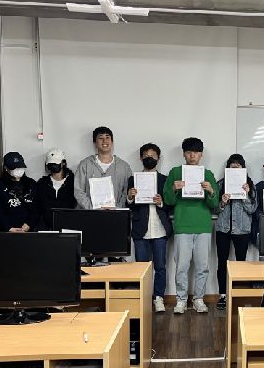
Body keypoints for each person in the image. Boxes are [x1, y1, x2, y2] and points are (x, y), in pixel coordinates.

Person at [163, 137, 219, 315]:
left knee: (202, 266)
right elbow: (167, 200)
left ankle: (198, 299)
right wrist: (173, 189)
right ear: (183, 154)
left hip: (203, 225)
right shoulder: (175, 172)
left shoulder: (207, 174)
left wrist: (211, 191)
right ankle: (181, 299)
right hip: (182, 224)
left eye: (195, 152)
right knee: (181, 265)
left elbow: (214, 203)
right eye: (188, 152)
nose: (192, 155)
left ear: (201, 155)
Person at [126, 143, 173, 314]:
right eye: (146, 155)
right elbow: (128, 205)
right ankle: (144, 299)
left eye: (153, 155)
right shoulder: (133, 179)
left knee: (160, 266)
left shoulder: (165, 180)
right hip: (140, 229)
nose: (149, 158)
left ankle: (158, 297)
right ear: (141, 158)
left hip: (160, 228)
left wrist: (161, 202)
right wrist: (130, 197)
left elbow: (170, 204)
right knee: (142, 267)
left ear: (158, 158)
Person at [215, 154, 257, 310]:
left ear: (243, 168)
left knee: (241, 263)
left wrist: (246, 195)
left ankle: (239, 295)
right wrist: (222, 202)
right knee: (222, 262)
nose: (234, 167)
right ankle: (223, 295)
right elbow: (214, 208)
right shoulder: (220, 184)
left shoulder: (250, 185)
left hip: (242, 229)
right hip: (223, 228)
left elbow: (252, 209)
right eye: (232, 165)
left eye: (238, 165)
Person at [74, 126, 132, 209]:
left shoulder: (124, 167)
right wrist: (92, 208)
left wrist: (117, 208)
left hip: (116, 214)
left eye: (107, 137)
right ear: (95, 143)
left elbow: (127, 191)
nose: (105, 141)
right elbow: (78, 191)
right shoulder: (85, 165)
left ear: (112, 142)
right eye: (100, 138)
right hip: (89, 214)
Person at [0, 152, 39, 232]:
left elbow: (37, 208)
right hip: (4, 232)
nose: (18, 170)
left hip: (28, 232)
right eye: (14, 168)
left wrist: (29, 224)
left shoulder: (31, 184)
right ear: (6, 168)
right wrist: (8, 228)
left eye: (20, 167)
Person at [36, 147, 77, 230]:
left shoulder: (73, 182)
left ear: (63, 163)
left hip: (68, 227)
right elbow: (38, 208)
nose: (53, 166)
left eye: (56, 163)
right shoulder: (42, 183)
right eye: (51, 163)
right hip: (46, 229)